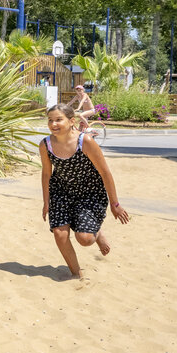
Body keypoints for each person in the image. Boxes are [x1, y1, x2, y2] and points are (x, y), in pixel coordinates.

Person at [40, 104, 130, 279]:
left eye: (59, 119)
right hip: (61, 192)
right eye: (50, 120)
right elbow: (46, 174)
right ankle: (77, 274)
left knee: (85, 239)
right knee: (59, 233)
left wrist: (115, 204)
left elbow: (105, 172)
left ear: (71, 121)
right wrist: (46, 202)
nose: (53, 124)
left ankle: (97, 233)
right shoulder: (46, 145)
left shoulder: (85, 141)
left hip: (90, 193)